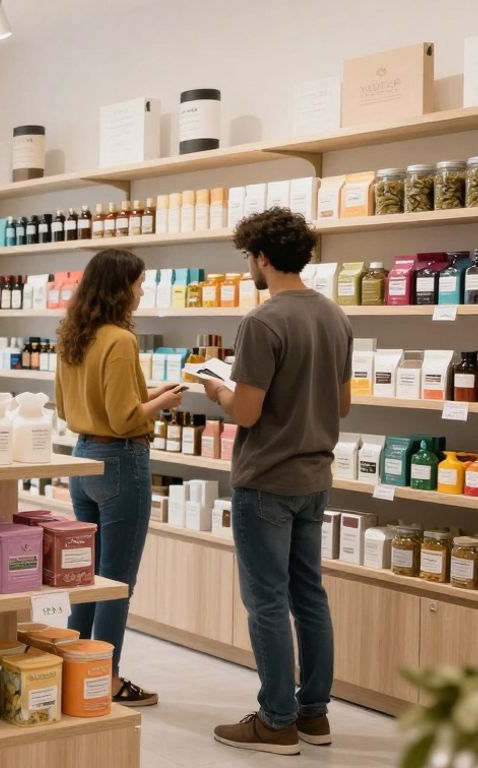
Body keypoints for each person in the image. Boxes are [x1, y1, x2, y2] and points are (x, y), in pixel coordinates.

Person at [203, 208, 351, 756]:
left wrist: (216, 389)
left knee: (266, 602)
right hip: (314, 478)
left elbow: (246, 412)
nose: (250, 265)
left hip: (265, 480)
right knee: (309, 596)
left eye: (249, 256)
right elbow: (342, 404)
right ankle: (314, 715)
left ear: (262, 257)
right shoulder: (335, 316)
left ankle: (276, 721)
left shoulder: (262, 322)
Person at [54, 248, 185, 708]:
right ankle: (106, 679)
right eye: (138, 283)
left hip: (83, 460)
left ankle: (72, 666)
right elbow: (126, 418)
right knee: (116, 582)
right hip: (121, 463)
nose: (141, 291)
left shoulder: (73, 335)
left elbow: (69, 407)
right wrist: (163, 403)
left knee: (86, 576)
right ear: (120, 288)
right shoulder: (121, 340)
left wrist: (150, 393)